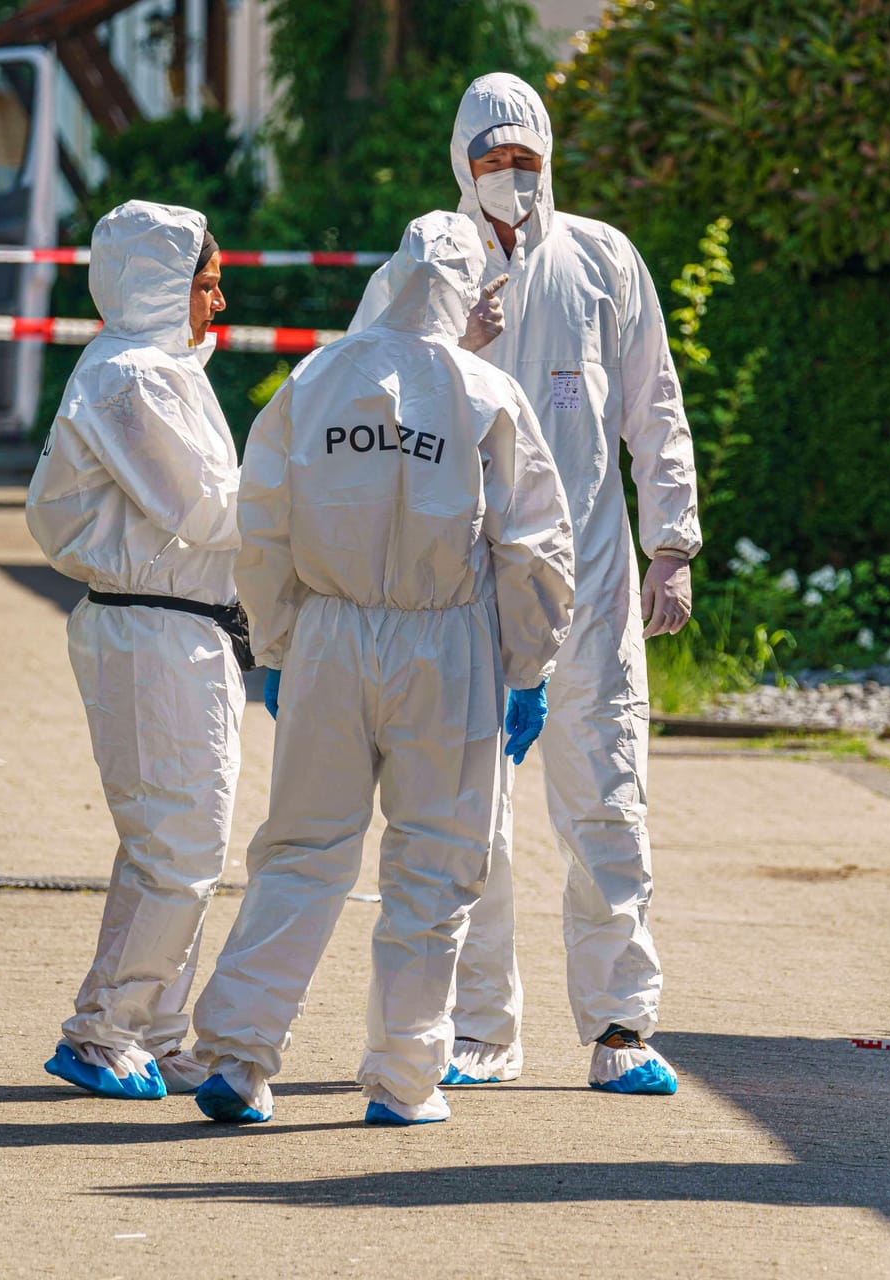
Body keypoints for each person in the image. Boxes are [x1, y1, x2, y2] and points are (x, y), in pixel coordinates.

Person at [349, 72, 699, 1094]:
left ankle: (621, 1022)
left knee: (610, 803)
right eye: (493, 161)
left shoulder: (603, 260)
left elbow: (653, 403)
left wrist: (672, 543)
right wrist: (446, 342)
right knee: (474, 820)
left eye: (527, 160)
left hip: (591, 590)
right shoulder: (426, 257)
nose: (512, 179)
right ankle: (481, 1030)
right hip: (469, 595)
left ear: (552, 157)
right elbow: (364, 394)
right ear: (463, 162)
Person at [188, 210, 574, 1126]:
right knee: (436, 864)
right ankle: (404, 1078)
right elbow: (533, 546)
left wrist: (278, 644)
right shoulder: (482, 391)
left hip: (328, 635)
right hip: (446, 646)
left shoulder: (315, 379)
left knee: (299, 851)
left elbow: (263, 522)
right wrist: (529, 663)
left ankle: (240, 1058)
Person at [27, 200, 242, 1101]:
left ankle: (151, 1028)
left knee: (177, 840)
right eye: (205, 283)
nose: (218, 305)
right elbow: (208, 509)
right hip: (152, 630)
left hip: (176, 628)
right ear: (161, 285)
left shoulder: (156, 370)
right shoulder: (132, 381)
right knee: (180, 843)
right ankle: (105, 1028)